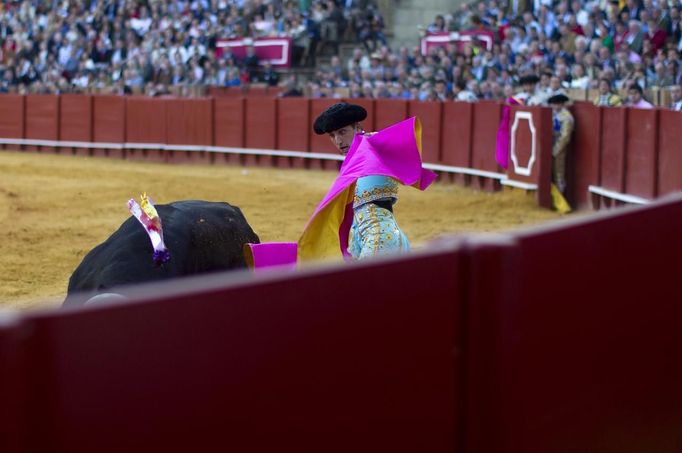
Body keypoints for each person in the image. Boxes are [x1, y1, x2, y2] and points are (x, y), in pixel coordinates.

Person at [312, 103, 408, 259]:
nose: (338, 141)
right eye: (332, 135)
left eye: (342, 132)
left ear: (357, 128)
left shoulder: (374, 144)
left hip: (382, 239)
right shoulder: (352, 162)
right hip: (360, 238)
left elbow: (395, 142)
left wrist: (369, 137)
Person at [547, 92, 574, 194]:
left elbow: (565, 136)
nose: (555, 106)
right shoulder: (552, 114)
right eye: (553, 104)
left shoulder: (566, 116)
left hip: (558, 149)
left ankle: (560, 198)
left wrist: (555, 150)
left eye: (557, 104)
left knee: (558, 174)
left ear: (562, 104)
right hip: (549, 146)